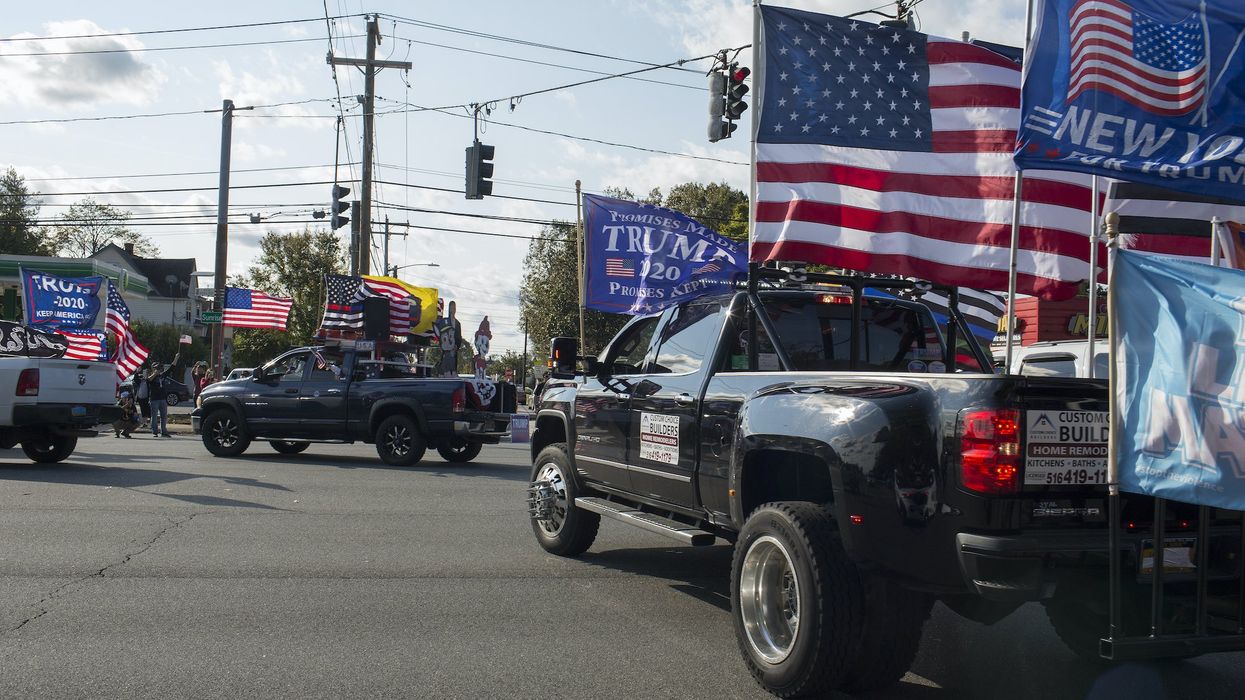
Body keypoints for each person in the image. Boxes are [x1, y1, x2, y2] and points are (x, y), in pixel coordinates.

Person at [147, 352, 181, 438]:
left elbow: (172, 368)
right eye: (156, 368)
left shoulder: (163, 375)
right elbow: (149, 380)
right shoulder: (151, 376)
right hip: (154, 399)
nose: (158, 369)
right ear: (153, 369)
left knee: (164, 416)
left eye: (159, 368)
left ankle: (164, 431)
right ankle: (155, 431)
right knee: (154, 416)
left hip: (162, 399)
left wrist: (176, 358)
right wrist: (155, 373)